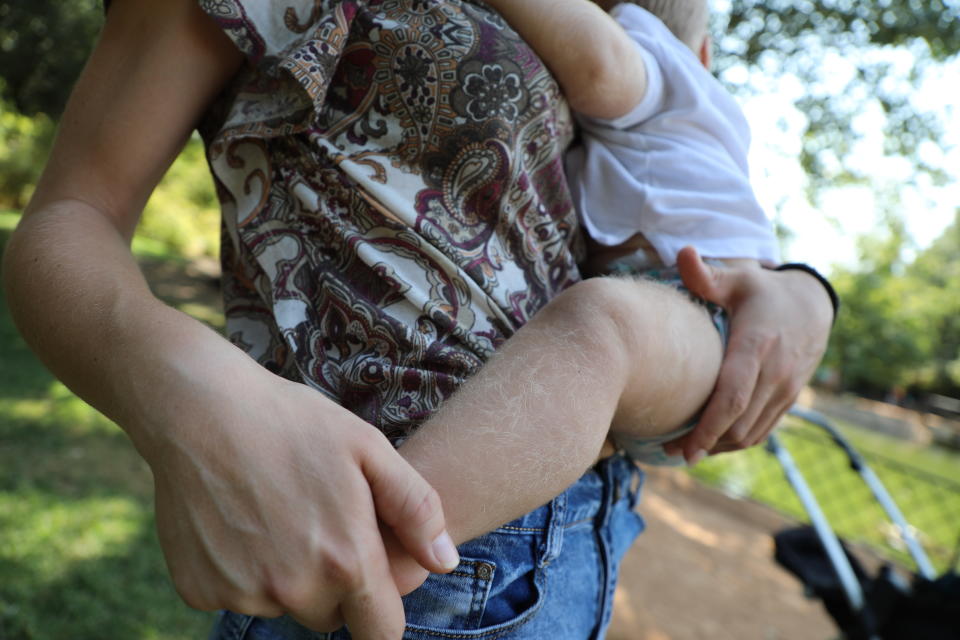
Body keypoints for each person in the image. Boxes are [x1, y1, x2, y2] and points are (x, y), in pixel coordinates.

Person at [1, 0, 835, 638]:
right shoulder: (640, 65)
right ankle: (389, 548)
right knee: (602, 328)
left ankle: (389, 549)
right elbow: (73, 213)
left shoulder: (652, 82)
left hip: (575, 501)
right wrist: (181, 392)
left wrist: (805, 293)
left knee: (604, 328)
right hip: (384, 513)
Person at [482, 0, 794, 465]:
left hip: (689, 313)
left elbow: (600, 65)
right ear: (707, 52)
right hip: (684, 363)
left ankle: (406, 525)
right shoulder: (711, 125)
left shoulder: (663, 65)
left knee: (602, 322)